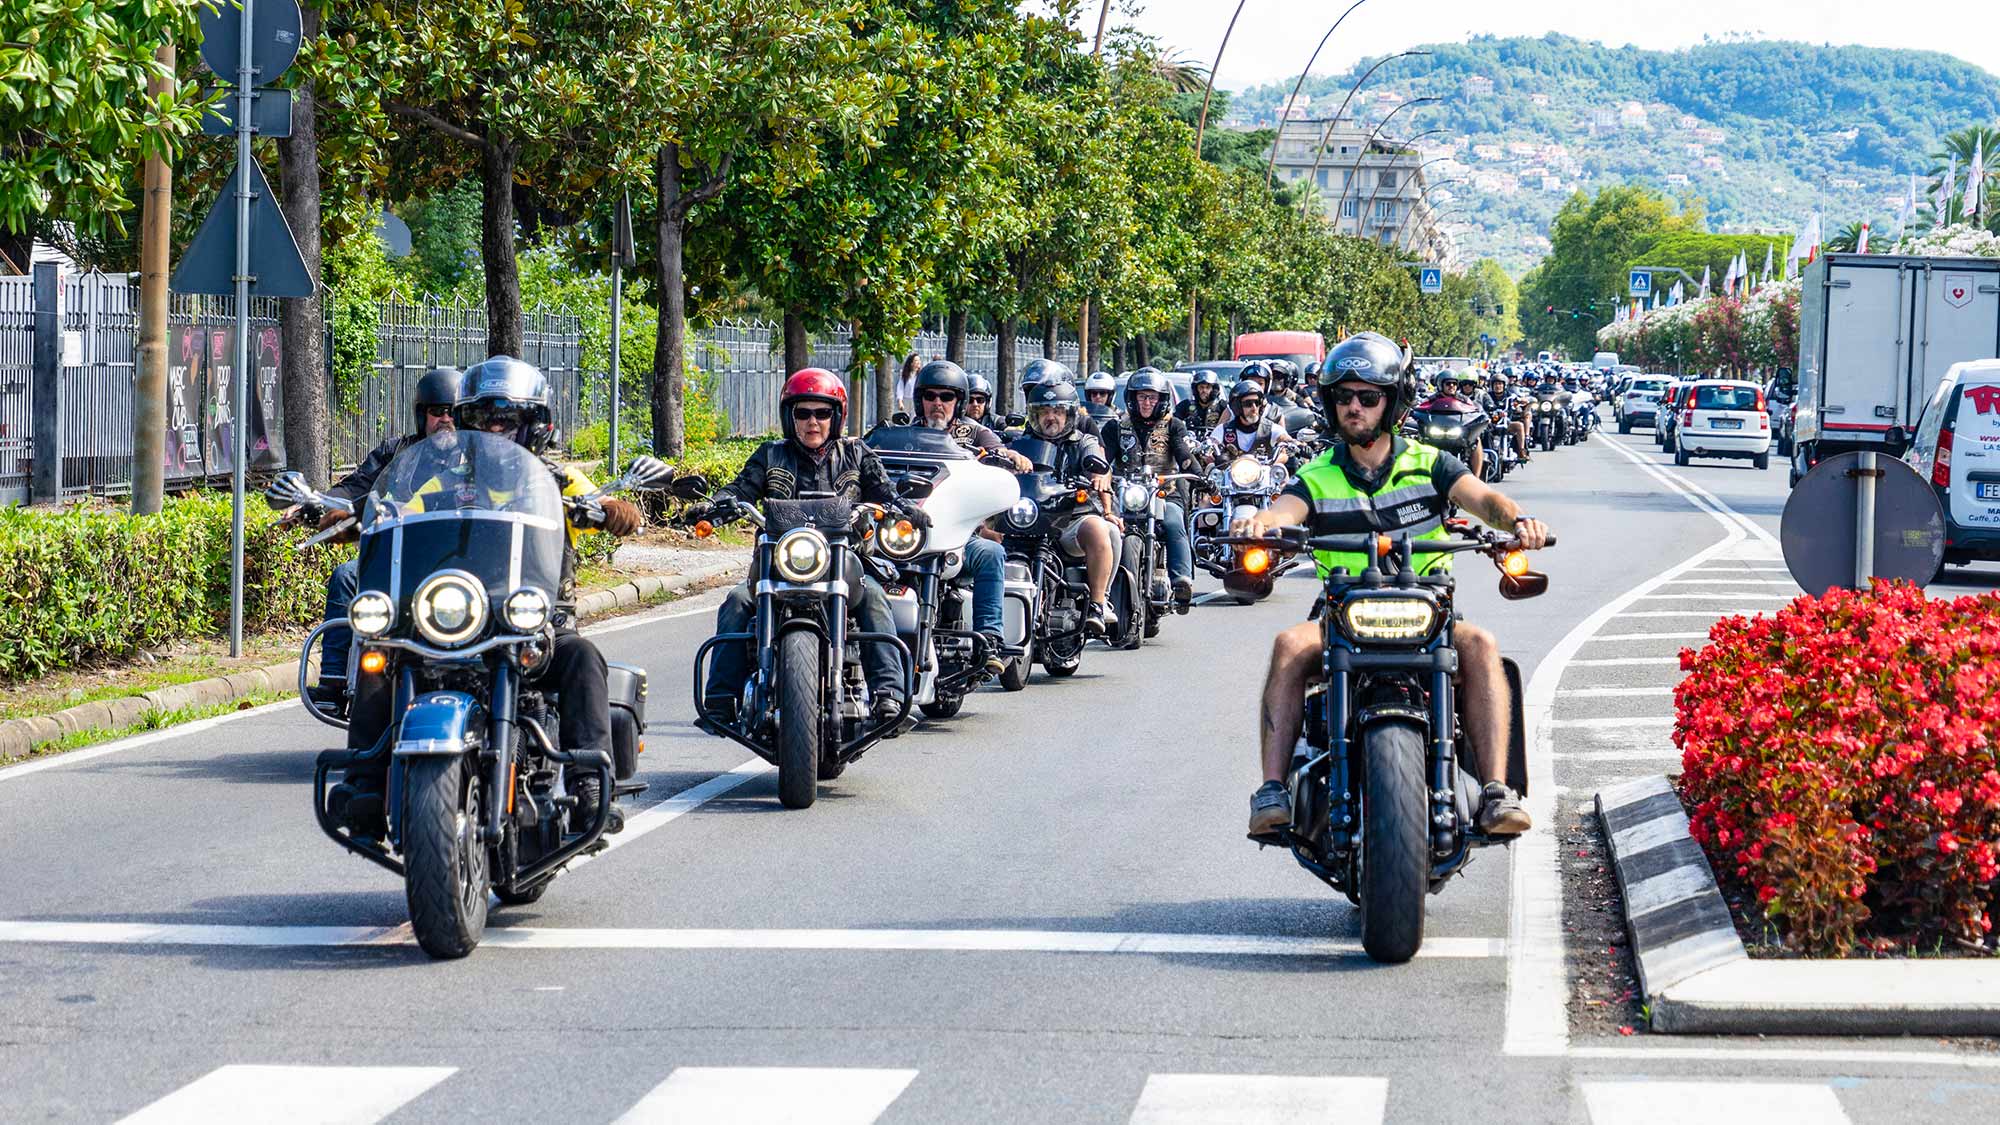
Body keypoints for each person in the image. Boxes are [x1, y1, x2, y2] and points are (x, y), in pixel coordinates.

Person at [1233, 333, 1548, 841]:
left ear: (1392, 402)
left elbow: (1484, 499)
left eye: (1368, 396)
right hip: (1343, 614)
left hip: (1429, 611)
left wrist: (1519, 520)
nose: (1354, 407)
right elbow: (1283, 511)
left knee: (1483, 645)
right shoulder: (1315, 475)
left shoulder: (1430, 464)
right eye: (1343, 397)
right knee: (1289, 644)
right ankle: (1272, 790)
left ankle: (1495, 791)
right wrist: (1262, 524)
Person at [334, 357, 642, 835]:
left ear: (534, 425)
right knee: (380, 655)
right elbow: (396, 508)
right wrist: (352, 517)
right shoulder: (445, 480)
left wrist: (609, 511)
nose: (496, 429)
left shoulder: (558, 482)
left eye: (508, 419)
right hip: (455, 622)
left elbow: (615, 508)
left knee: (583, 657)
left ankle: (589, 787)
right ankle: (364, 783)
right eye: (484, 419)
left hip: (535, 627)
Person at [699, 368, 918, 724]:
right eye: (803, 413)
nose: (812, 422)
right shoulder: (770, 455)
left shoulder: (856, 454)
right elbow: (741, 490)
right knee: (737, 602)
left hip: (843, 565)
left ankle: (888, 695)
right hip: (777, 565)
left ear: (837, 416)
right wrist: (716, 504)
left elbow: (886, 492)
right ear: (790, 417)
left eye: (822, 413)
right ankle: (721, 699)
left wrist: (905, 508)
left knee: (876, 598)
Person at [293, 366, 462, 710]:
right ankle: (335, 681)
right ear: (422, 415)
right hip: (400, 560)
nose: (445, 419)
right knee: (346, 576)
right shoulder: (397, 453)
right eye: (436, 411)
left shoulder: (477, 459)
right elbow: (355, 488)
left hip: (460, 565)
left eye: (453, 412)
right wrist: (318, 502)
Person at [911, 360, 1029, 674]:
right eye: (930, 396)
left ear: (958, 401)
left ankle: (989, 638)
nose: (937, 403)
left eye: (946, 396)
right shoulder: (903, 433)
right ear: (920, 399)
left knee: (991, 553)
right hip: (906, 534)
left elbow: (1001, 453)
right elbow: (867, 451)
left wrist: (1011, 456)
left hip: (959, 537)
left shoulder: (975, 432)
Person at [1008, 379, 1119, 636]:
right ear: (1034, 414)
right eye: (1044, 411)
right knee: (987, 533)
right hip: (1029, 519)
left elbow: (1099, 463)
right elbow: (1000, 459)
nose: (1051, 418)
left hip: (1071, 520)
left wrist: (1100, 475)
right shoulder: (1021, 442)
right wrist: (1009, 458)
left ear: (1068, 413)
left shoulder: (1083, 441)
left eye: (1057, 411)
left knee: (1097, 528)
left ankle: (1098, 604)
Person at [1113, 368, 1200, 606]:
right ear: (1132, 398)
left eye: (1152, 397)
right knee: (1107, 527)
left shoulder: (1174, 425)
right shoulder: (1117, 426)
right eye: (1142, 396)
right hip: (1125, 494)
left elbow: (1183, 454)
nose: (1146, 402)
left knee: (1173, 521)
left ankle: (1182, 579)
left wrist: (1200, 476)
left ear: (1161, 399)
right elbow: (1103, 458)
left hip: (1165, 492)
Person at [1208, 365, 1293, 465]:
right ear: (1237, 407)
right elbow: (1210, 445)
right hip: (1233, 475)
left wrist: (1297, 444)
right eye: (1248, 404)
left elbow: (1285, 440)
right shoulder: (1224, 429)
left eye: (1256, 403)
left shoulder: (1270, 428)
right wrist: (1212, 455)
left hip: (1263, 474)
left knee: (1284, 476)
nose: (1254, 408)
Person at [1177, 369, 1227, 433]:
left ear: (1214, 389)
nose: (1204, 391)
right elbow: (1174, 420)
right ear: (1196, 389)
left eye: (1208, 387)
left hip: (1215, 440)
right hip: (1191, 440)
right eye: (1201, 387)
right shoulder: (1186, 405)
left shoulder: (1222, 406)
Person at [895, 353, 921, 417]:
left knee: (914, 419)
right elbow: (900, 389)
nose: (918, 362)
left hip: (916, 400)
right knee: (904, 419)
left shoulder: (920, 375)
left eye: (919, 360)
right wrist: (900, 402)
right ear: (911, 363)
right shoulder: (905, 375)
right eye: (916, 360)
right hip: (906, 400)